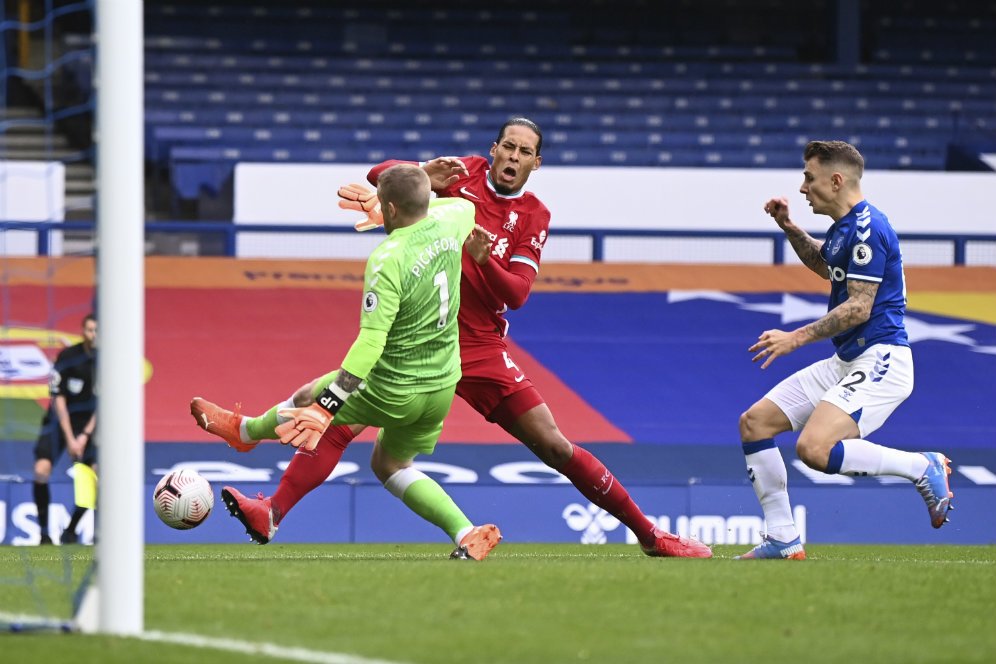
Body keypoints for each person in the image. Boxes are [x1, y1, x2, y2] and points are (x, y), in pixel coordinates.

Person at [193, 118, 711, 558]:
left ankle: (650, 534)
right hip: (418, 337)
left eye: (525, 152)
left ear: (536, 164)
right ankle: (271, 507)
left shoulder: (533, 216)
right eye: (507, 146)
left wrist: (486, 262)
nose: (512, 156)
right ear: (493, 150)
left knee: (553, 443)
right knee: (338, 425)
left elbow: (518, 293)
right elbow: (386, 178)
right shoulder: (464, 179)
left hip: (480, 346)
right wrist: (423, 168)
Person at [200, 164, 502, 560]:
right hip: (443, 384)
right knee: (392, 463)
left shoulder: (387, 259)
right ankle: (466, 532)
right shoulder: (456, 216)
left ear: (390, 209)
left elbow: (371, 342)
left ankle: (245, 431)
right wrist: (419, 183)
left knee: (311, 398)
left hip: (393, 386)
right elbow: (450, 208)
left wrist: (328, 405)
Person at [736, 140, 954, 560]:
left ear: (835, 181)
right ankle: (783, 538)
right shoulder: (846, 227)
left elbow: (859, 306)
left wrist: (795, 338)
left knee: (814, 449)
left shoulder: (870, 228)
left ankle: (921, 466)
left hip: (882, 358)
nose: (803, 188)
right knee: (755, 424)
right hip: (849, 359)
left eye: (809, 177)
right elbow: (826, 264)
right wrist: (790, 227)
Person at [33, 313, 98, 545]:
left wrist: (84, 436)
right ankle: (43, 533)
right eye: (90, 330)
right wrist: (70, 437)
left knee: (94, 479)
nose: (94, 335)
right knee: (41, 470)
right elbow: (57, 398)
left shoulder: (108, 362)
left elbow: (103, 404)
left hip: (88, 426)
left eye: (98, 330)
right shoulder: (69, 357)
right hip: (59, 422)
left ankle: (71, 530)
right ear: (83, 331)